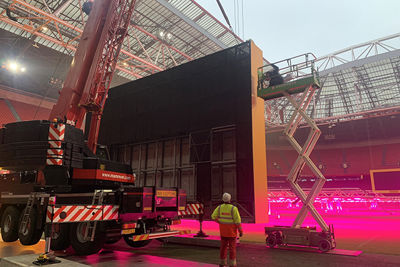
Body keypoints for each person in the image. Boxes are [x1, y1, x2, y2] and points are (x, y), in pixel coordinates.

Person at [211, 193, 243, 267]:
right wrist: (240, 231)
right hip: (232, 233)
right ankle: (232, 264)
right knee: (232, 249)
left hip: (223, 233)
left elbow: (213, 217)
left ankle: (222, 263)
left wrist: (219, 222)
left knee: (223, 248)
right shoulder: (233, 209)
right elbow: (237, 221)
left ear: (223, 199)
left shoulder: (219, 208)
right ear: (230, 199)